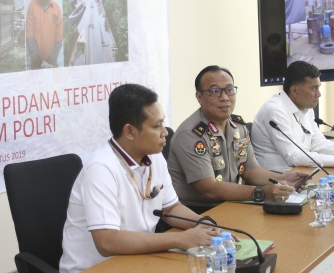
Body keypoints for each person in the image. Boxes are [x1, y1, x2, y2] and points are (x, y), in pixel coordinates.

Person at [60, 84, 220, 273]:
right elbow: (107, 241)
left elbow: (172, 208)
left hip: (138, 261)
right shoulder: (101, 168)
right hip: (96, 268)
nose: (165, 132)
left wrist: (202, 224)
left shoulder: (154, 156)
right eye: (156, 126)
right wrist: (181, 239)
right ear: (129, 131)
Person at [167, 65, 309, 214]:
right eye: (215, 91)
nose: (225, 97)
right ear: (199, 97)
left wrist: (283, 178)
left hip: (232, 204)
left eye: (229, 90)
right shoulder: (191, 134)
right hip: (198, 212)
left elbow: (251, 171)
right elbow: (208, 189)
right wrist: (260, 193)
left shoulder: (238, 127)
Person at [251, 61, 334, 173]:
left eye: (318, 87)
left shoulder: (306, 107)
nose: (318, 94)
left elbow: (318, 144)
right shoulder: (275, 111)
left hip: (301, 174)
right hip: (275, 181)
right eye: (314, 88)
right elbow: (293, 157)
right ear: (294, 91)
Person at [26, 0, 63, 69]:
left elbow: (59, 40)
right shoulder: (32, 7)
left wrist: (49, 63)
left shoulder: (57, 9)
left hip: (52, 66)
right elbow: (29, 39)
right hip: (36, 67)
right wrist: (40, 64)